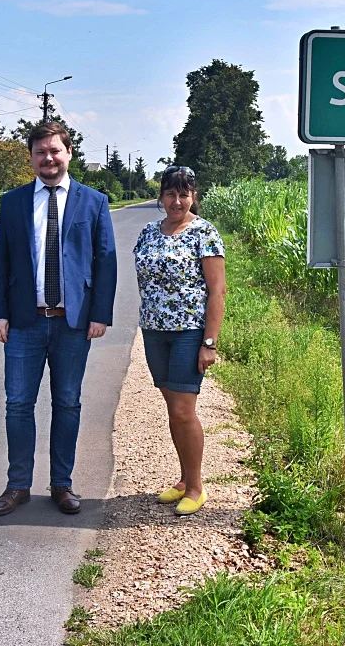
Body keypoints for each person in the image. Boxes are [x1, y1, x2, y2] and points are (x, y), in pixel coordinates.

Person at [0, 121, 117, 517]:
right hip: (24, 322)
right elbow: (0, 261)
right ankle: (18, 485)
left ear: (69, 153)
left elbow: (105, 262)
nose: (48, 158)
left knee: (68, 403)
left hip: (72, 324)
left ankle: (62, 484)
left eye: (55, 150)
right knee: (18, 404)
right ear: (31, 157)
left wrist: (100, 314)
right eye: (40, 152)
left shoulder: (94, 202)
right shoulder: (13, 202)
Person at [133, 165, 226, 516]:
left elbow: (217, 291)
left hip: (189, 332)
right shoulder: (148, 232)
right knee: (173, 409)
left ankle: (197, 487)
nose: (177, 201)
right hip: (154, 331)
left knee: (184, 411)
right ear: (161, 196)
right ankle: (185, 481)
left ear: (193, 196)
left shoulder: (204, 232)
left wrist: (209, 342)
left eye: (183, 194)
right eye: (170, 194)